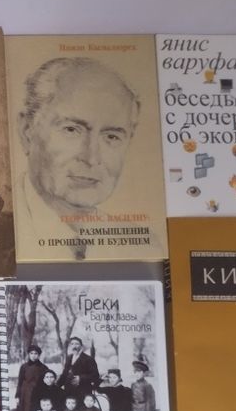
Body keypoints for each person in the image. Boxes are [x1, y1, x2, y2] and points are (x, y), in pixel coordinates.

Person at [15, 58, 141, 260]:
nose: (91, 158)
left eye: (111, 137)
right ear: (27, 131)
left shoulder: (145, 250)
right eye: (72, 130)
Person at [14, 344, 50, 411]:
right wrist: (17, 396)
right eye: (31, 353)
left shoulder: (43, 368)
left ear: (39, 355)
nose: (34, 356)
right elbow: (20, 382)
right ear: (29, 354)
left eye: (36, 354)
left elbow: (47, 381)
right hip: (25, 396)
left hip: (37, 396)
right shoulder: (24, 367)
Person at [59, 337, 101, 404]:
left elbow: (95, 375)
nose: (74, 346)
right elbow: (64, 374)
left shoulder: (88, 359)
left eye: (77, 344)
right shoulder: (69, 358)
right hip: (69, 392)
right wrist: (56, 385)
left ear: (81, 346)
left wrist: (80, 378)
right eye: (72, 344)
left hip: (83, 391)